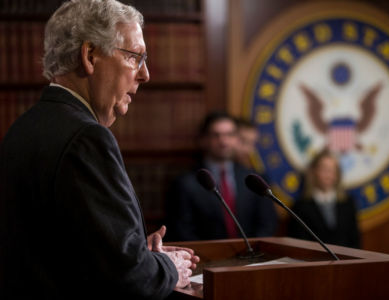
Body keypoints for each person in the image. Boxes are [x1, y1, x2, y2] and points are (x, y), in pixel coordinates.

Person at [0, 0, 199, 299]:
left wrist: (135, 251)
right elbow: (127, 278)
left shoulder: (23, 127)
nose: (145, 75)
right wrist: (167, 267)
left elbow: (60, 248)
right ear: (90, 56)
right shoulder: (86, 138)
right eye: (135, 57)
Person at [166, 112, 277, 241]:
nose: (223, 141)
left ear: (237, 139)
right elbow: (182, 230)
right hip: (206, 258)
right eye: (216, 135)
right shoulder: (185, 183)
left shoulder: (254, 179)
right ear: (204, 140)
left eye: (229, 135)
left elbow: (267, 224)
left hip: (252, 257)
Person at [287, 149, 361, 248]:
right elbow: (298, 244)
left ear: (337, 174)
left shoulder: (348, 203)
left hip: (344, 261)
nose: (328, 175)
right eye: (324, 169)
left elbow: (355, 242)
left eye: (332, 170)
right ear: (314, 172)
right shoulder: (300, 207)